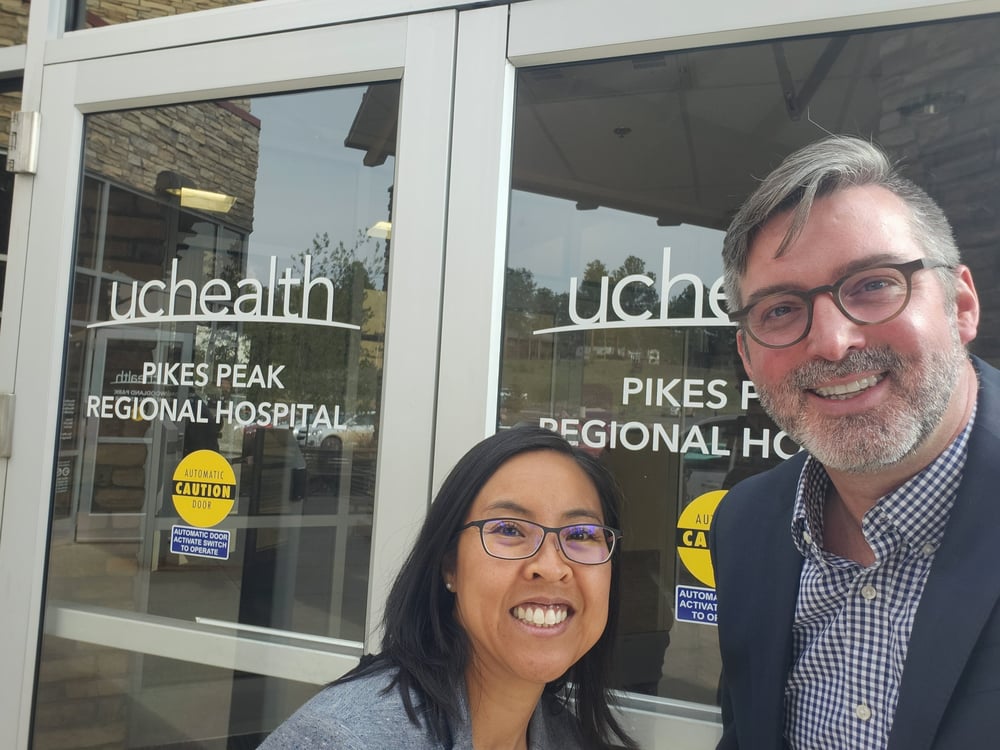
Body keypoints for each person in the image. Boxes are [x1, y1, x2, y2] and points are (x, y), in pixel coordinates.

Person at [710, 135, 1000, 749]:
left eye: (873, 284)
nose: (832, 342)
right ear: (746, 353)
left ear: (962, 305)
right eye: (781, 310)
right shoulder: (745, 524)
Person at [259, 425, 638, 749]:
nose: (552, 567)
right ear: (449, 565)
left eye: (583, 533)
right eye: (508, 529)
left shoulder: (566, 737)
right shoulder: (341, 738)